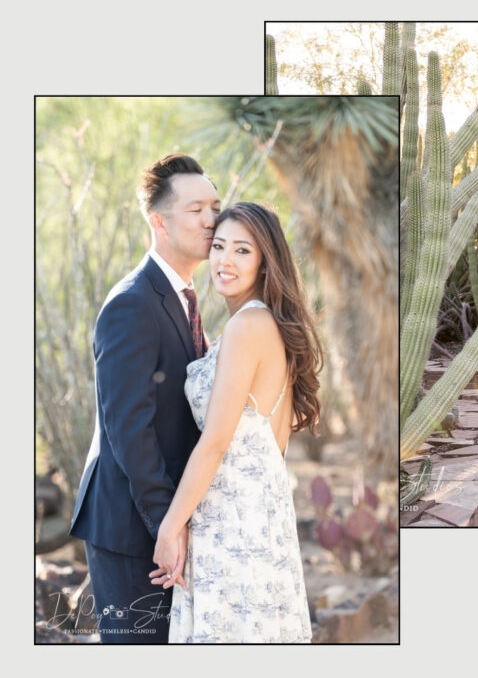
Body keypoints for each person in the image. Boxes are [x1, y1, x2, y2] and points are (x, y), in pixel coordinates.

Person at [148, 202, 322, 643]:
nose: (225, 260)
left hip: (234, 521)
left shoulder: (250, 325)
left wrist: (170, 526)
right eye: (219, 246)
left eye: (242, 251)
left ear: (266, 262)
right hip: (257, 512)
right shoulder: (259, 324)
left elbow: (216, 442)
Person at [69, 154, 219, 643]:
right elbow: (128, 426)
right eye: (196, 209)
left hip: (163, 520)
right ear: (159, 221)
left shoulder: (182, 298)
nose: (211, 219)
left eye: (214, 206)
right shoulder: (132, 303)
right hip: (132, 528)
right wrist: (165, 526)